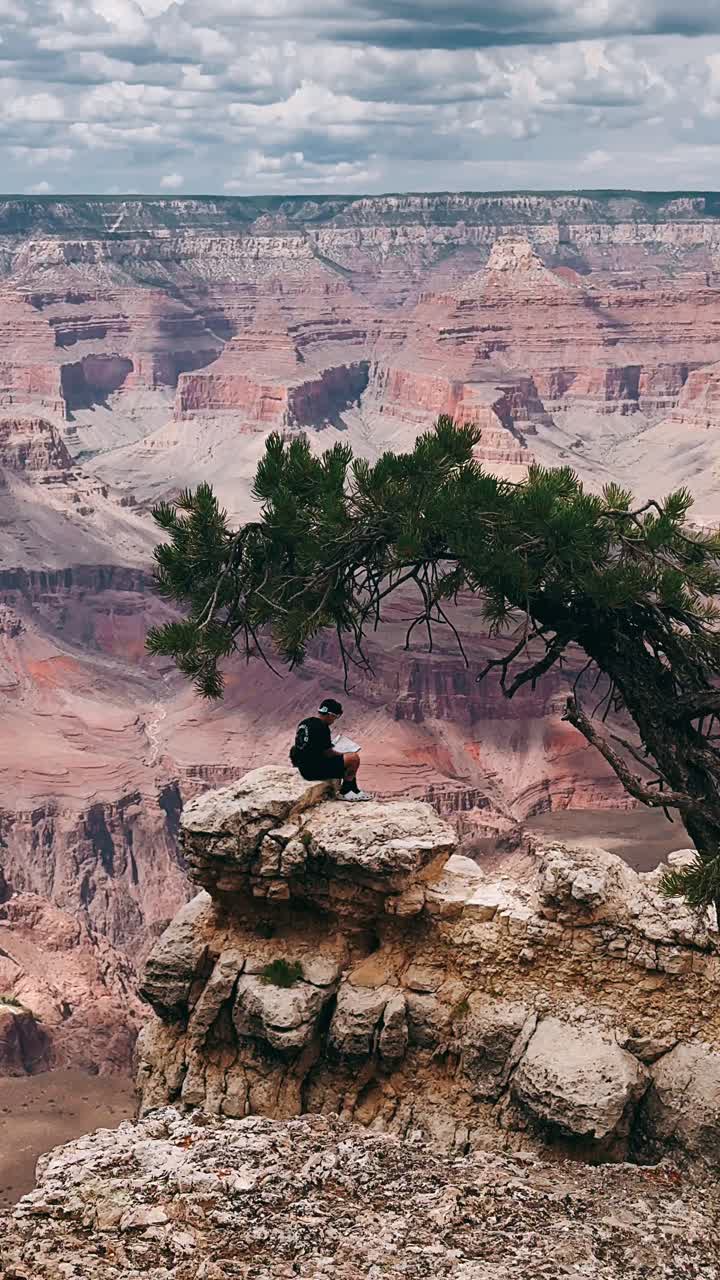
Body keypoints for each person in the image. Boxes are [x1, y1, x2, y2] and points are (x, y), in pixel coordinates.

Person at [289, 698, 370, 802]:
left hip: (304, 767)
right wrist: (343, 753)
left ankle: (354, 790)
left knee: (345, 760)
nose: (333, 721)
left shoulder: (305, 723)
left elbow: (307, 746)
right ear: (330, 715)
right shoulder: (322, 727)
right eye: (335, 717)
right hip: (314, 771)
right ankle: (345, 792)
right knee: (353, 758)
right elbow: (328, 753)